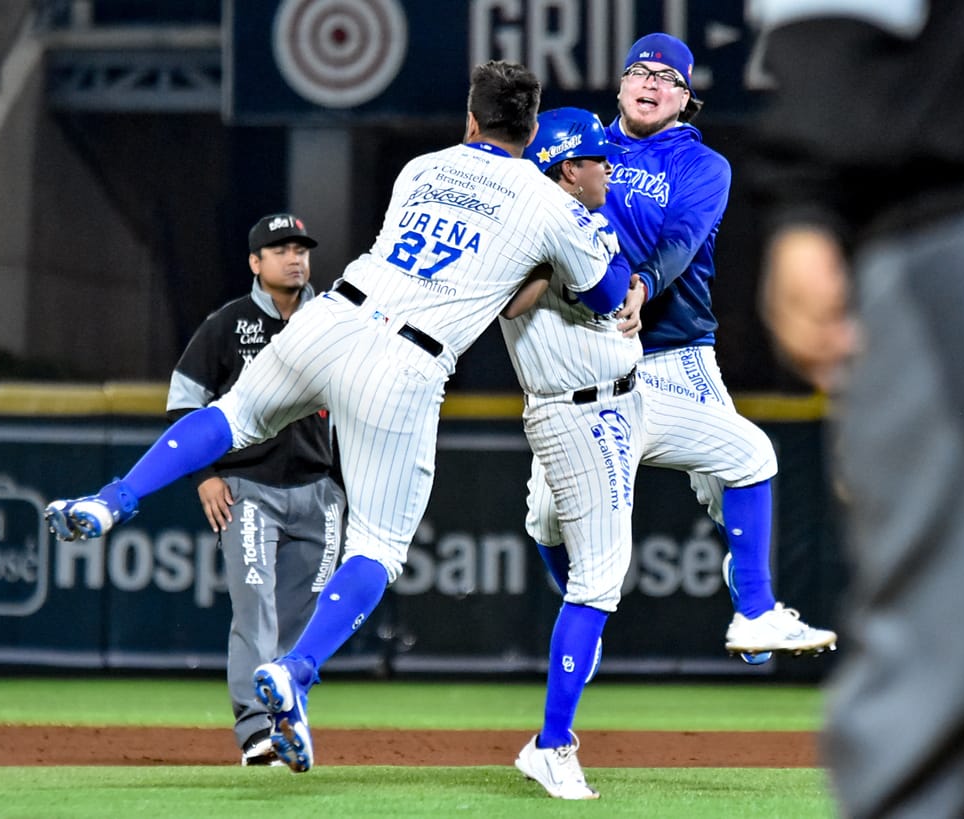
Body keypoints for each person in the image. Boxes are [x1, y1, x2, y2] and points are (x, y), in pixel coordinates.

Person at [44, 60, 630, 777]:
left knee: (232, 415)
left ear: (470, 120)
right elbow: (603, 297)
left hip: (336, 316)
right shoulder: (549, 203)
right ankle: (295, 669)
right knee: (378, 545)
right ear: (533, 128)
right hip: (407, 361)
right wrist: (555, 259)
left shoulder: (422, 167)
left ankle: (113, 499)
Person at [748, 1, 964, 816]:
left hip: (958, 211)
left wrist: (807, 202)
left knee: (921, 649)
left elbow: (834, 9)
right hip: (961, 213)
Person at [525, 32, 836, 663]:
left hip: (673, 350)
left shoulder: (701, 165)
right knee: (546, 518)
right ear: (618, 86)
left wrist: (639, 285)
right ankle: (581, 614)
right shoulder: (578, 149)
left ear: (685, 100)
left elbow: (682, 239)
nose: (651, 83)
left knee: (739, 475)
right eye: (639, 71)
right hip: (585, 353)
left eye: (668, 79)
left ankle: (754, 606)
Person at [500, 107, 645, 800]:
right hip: (583, 408)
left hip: (618, 391)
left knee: (548, 525)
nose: (607, 166)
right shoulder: (542, 225)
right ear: (566, 169)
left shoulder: (578, 220)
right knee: (600, 578)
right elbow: (603, 291)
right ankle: (553, 743)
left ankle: (574, 647)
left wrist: (631, 276)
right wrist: (590, 259)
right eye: (595, 158)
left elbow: (625, 288)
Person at [165, 213, 345, 766]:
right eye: (281, 248)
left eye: (301, 248)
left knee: (301, 618)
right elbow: (183, 403)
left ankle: (287, 721)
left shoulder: (334, 321)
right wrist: (205, 476)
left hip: (319, 493)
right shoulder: (228, 324)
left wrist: (343, 488)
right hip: (247, 490)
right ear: (255, 262)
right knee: (255, 611)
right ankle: (255, 734)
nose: (295, 257)